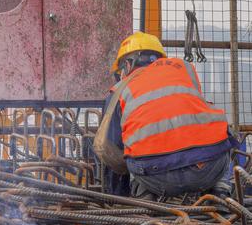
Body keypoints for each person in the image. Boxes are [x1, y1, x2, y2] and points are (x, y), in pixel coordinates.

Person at [95, 32, 233, 201]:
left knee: (130, 150)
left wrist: (117, 197)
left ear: (128, 65)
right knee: (224, 136)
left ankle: (144, 194)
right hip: (208, 169)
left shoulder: (119, 90)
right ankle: (220, 191)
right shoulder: (184, 70)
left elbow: (112, 153)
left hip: (155, 176)